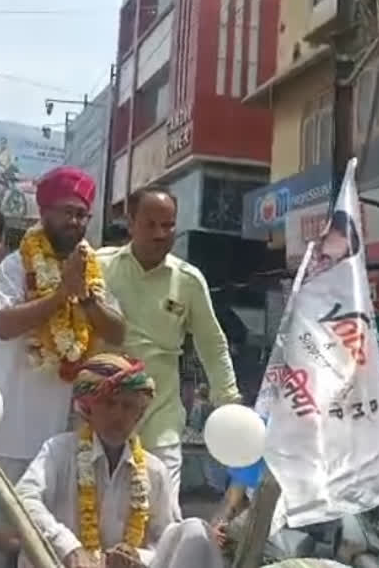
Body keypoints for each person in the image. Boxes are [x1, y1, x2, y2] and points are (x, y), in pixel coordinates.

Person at [0, 166, 124, 568]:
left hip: (50, 440)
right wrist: (59, 295)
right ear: (44, 212)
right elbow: (2, 324)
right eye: (65, 211)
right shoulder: (18, 265)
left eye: (81, 215)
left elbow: (117, 332)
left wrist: (83, 296)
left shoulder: (90, 271)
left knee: (33, 552)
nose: (74, 221)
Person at [96, 186, 239, 519]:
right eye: (150, 224)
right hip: (101, 413)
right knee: (98, 512)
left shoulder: (188, 280)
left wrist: (229, 401)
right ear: (130, 223)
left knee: (161, 518)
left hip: (158, 418)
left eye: (169, 225)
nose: (161, 234)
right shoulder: (100, 266)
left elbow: (212, 343)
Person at [14, 353, 224, 568]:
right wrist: (69, 547)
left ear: (139, 415)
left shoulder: (154, 470)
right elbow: (22, 499)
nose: (118, 414)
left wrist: (137, 556)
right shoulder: (58, 451)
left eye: (128, 406)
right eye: (109, 403)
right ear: (89, 408)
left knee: (195, 530)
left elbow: (167, 541)